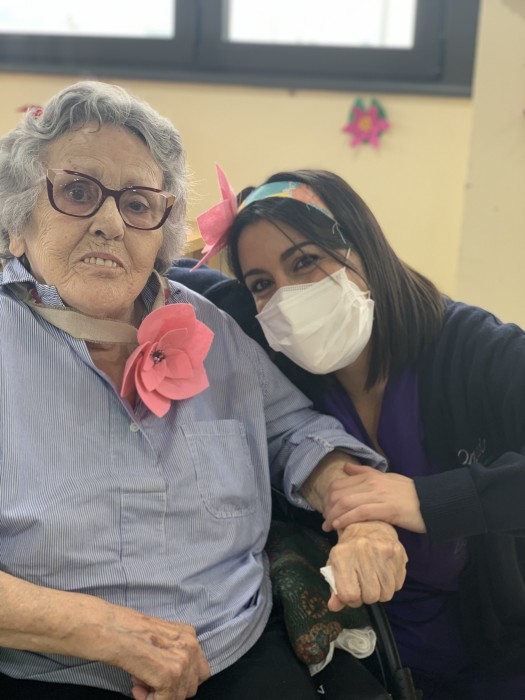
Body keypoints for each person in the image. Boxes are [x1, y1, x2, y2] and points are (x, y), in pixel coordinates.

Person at [0, 83, 410, 700]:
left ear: (161, 233)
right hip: (60, 670)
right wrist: (103, 630)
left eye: (138, 203)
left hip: (239, 652)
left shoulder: (212, 328)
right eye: (78, 193)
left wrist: (363, 522)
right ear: (17, 226)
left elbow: (298, 435)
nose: (110, 223)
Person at [192, 166, 525, 699]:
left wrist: (430, 500)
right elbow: (176, 286)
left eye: (305, 261)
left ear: (363, 248)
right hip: (364, 661)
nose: (289, 297)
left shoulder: (471, 349)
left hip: (494, 650)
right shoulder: (280, 370)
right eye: (262, 284)